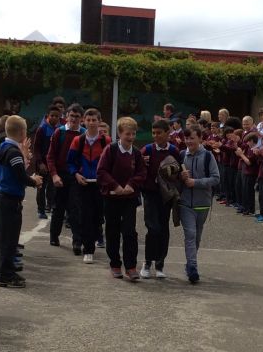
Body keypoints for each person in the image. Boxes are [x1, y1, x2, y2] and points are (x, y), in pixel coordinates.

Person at [96, 117, 147, 280]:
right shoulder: (110, 150)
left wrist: (131, 185)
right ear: (119, 134)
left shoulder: (136, 153)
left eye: (133, 134)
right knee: (112, 231)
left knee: (129, 231)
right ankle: (115, 264)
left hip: (129, 198)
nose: (131, 137)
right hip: (112, 197)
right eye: (127, 134)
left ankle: (131, 266)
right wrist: (115, 186)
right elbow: (101, 171)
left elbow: (141, 173)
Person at [0, 116, 42, 288]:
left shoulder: (3, 146)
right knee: (10, 239)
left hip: (3, 196)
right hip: (10, 198)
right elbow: (20, 175)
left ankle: (1, 270)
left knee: (4, 238)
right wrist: (34, 181)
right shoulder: (13, 152)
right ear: (22, 132)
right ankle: (6, 275)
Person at [178, 124, 221, 284]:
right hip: (184, 203)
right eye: (186, 138)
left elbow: (216, 178)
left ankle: (190, 263)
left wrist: (195, 182)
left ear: (200, 138)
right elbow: (174, 177)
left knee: (196, 237)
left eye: (192, 138)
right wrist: (180, 177)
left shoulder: (208, 156)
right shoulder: (181, 155)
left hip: (202, 203)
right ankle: (192, 267)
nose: (189, 141)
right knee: (190, 234)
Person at [67, 108, 110, 265]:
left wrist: (105, 179)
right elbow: (70, 162)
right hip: (83, 184)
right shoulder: (78, 141)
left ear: (99, 121)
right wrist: (76, 174)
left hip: (100, 185)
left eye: (94, 120)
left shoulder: (106, 141)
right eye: (88, 120)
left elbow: (111, 163)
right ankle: (88, 250)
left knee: (98, 217)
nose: (91, 123)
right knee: (85, 216)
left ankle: (97, 237)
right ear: (84, 121)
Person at [140, 119, 180, 278]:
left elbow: (179, 170)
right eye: (153, 133)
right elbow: (136, 166)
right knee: (153, 228)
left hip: (166, 195)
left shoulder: (174, 151)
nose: (156, 136)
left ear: (167, 133)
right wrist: (141, 162)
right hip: (150, 193)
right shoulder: (147, 149)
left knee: (163, 228)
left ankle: (160, 264)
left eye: (159, 133)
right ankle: (147, 262)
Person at [47, 103, 86, 253]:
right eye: (71, 116)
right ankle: (54, 236)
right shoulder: (59, 132)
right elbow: (50, 156)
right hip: (60, 175)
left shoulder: (84, 134)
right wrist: (54, 175)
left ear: (81, 118)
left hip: (76, 176)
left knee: (75, 208)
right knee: (58, 207)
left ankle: (77, 241)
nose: (74, 119)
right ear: (66, 116)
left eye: (77, 116)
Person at [32, 104, 62, 219]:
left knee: (52, 186)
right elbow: (36, 148)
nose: (54, 118)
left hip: (53, 164)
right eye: (52, 115)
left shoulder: (59, 130)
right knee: (41, 186)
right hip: (42, 164)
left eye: (57, 116)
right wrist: (40, 163)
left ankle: (50, 205)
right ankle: (41, 209)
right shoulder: (42, 129)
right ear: (47, 116)